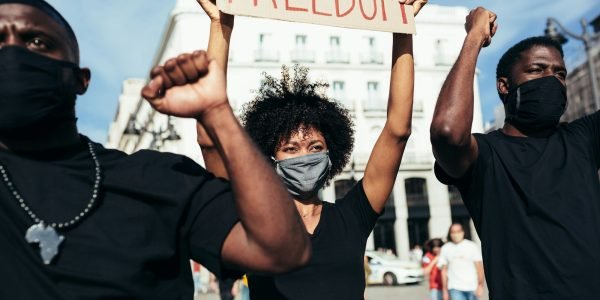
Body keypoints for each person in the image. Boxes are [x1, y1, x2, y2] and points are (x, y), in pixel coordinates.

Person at [0, 0, 312, 298]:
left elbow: (281, 249)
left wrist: (217, 111)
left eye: (37, 42)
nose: (12, 53)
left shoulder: (160, 178)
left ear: (81, 79)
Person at [194, 0, 427, 298]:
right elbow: (209, 138)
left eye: (315, 146)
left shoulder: (353, 215)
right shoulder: (253, 220)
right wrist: (220, 25)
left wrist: (402, 26)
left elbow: (397, 131)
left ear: (331, 153)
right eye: (290, 149)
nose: (305, 157)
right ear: (270, 159)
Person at [430, 5, 600, 299]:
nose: (552, 79)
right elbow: (447, 131)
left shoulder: (582, 138)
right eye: (537, 70)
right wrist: (473, 39)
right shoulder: (485, 154)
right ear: (504, 86)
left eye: (560, 73)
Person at [437, 224, 483, 300]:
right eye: (453, 232)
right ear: (450, 234)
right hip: (454, 287)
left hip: (472, 287)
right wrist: (444, 291)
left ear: (463, 232)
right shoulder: (446, 248)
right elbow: (444, 271)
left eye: (458, 231)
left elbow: (479, 267)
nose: (456, 234)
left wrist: (480, 285)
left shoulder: (472, 246)